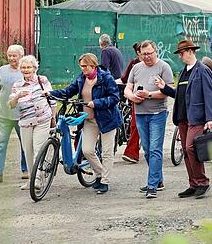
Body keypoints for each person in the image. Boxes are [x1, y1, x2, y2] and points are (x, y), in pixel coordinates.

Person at [49, 53, 122, 194]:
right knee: (87, 150)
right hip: (89, 119)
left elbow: (114, 98)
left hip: (107, 119)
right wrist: (51, 93)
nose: (82, 69)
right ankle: (100, 174)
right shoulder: (82, 78)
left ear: (93, 65)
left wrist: (96, 103)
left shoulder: (106, 78)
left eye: (85, 66)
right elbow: (69, 91)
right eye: (81, 66)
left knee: (107, 153)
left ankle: (105, 182)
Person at [155, 40, 212, 199]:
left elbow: (209, 95)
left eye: (182, 53)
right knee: (185, 150)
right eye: (180, 53)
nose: (180, 56)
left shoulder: (202, 70)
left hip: (197, 118)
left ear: (191, 51)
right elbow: (180, 93)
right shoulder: (184, 71)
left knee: (191, 148)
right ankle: (194, 184)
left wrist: (210, 118)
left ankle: (203, 182)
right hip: (183, 117)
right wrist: (165, 88)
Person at [124, 40, 173, 199]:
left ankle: (151, 185)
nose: (146, 57)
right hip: (140, 113)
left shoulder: (164, 67)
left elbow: (169, 91)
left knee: (155, 149)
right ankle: (158, 179)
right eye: (143, 54)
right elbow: (127, 88)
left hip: (157, 113)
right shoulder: (136, 67)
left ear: (155, 52)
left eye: (149, 54)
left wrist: (149, 95)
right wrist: (132, 96)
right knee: (146, 148)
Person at [9, 55, 55, 190]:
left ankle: (38, 180)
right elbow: (11, 105)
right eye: (23, 67)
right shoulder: (17, 85)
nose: (26, 70)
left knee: (38, 149)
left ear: (35, 68)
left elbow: (52, 100)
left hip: (42, 119)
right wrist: (17, 96)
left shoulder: (42, 80)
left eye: (29, 67)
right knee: (27, 151)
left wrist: (53, 118)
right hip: (25, 121)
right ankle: (31, 179)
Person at [0, 44, 28, 183]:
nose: (11, 58)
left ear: (21, 56)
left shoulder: (26, 70)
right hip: (3, 115)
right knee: (1, 143)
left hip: (21, 114)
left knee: (25, 143)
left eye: (14, 55)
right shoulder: (2, 70)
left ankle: (26, 170)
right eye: (9, 55)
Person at [119, 43, 142, 163]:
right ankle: (132, 151)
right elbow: (125, 79)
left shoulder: (157, 65)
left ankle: (132, 152)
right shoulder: (134, 64)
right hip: (134, 99)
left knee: (137, 126)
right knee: (134, 125)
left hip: (149, 101)